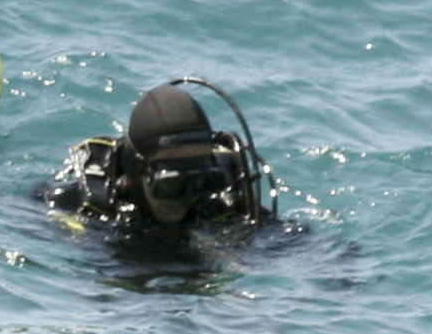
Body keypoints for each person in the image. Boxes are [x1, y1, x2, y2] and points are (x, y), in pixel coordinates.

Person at [43, 79, 274, 230]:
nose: (186, 199)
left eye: (201, 181)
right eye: (172, 184)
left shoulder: (221, 201)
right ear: (136, 169)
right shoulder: (76, 205)